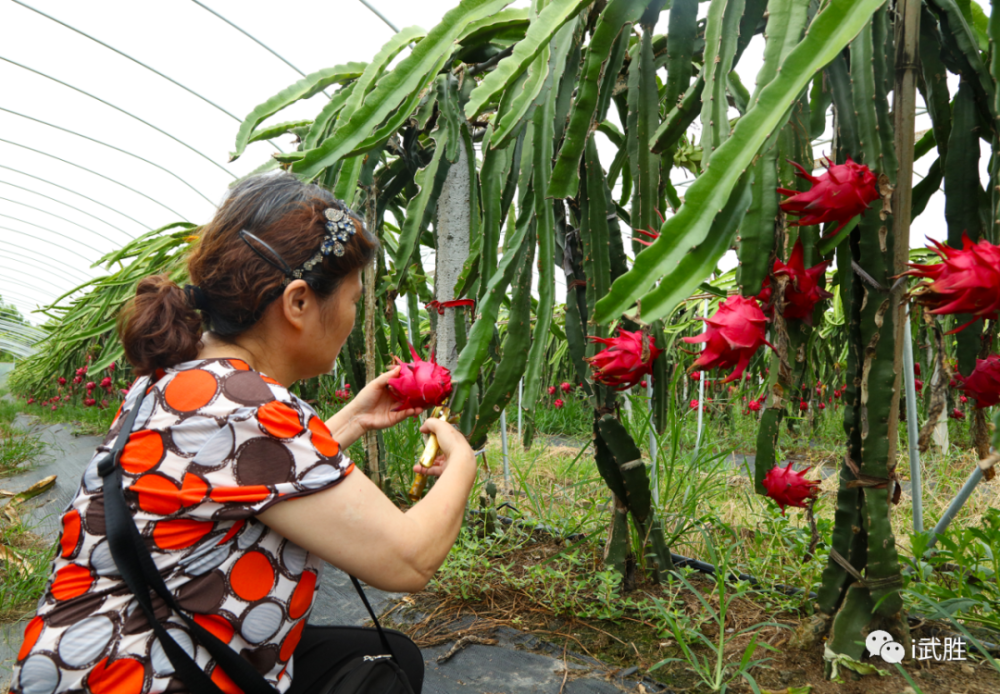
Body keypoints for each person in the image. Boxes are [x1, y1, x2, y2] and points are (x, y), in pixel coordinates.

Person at [10, 173, 477, 694]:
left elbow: (241, 473)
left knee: (385, 656)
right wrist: (462, 460)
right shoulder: (251, 406)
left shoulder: (177, 381)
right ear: (298, 303)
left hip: (82, 660)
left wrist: (352, 420)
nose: (351, 317)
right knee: (382, 672)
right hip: (146, 674)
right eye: (351, 299)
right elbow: (408, 560)